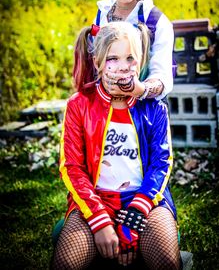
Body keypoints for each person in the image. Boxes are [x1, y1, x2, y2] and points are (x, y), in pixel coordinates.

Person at [52, 21, 180, 269]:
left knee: (166, 263)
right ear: (98, 63)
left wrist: (137, 212)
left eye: (130, 58)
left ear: (140, 62)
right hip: (94, 201)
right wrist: (99, 220)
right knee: (65, 265)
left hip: (147, 202)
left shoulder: (155, 108)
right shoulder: (79, 105)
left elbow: (161, 164)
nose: (123, 67)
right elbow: (72, 167)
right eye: (113, 58)